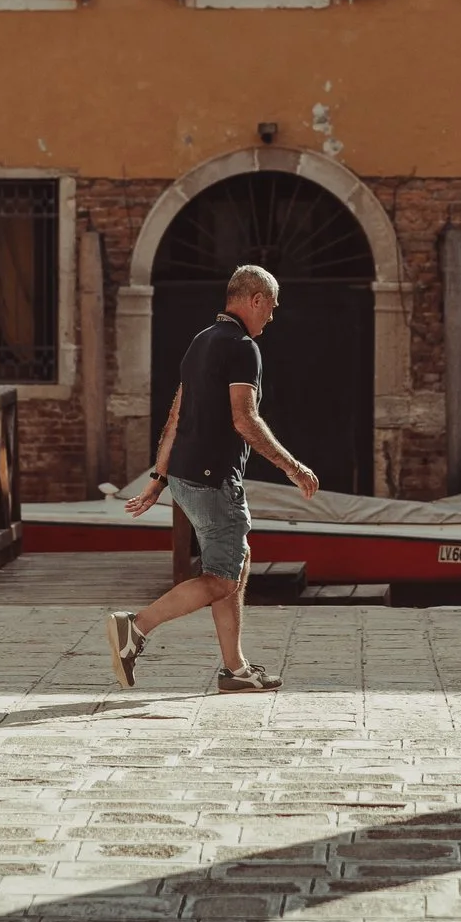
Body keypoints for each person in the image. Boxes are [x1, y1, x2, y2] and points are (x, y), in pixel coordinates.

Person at [107, 260, 317, 694]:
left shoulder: (200, 341)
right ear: (255, 300)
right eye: (271, 307)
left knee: (234, 564)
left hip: (187, 476)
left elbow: (176, 416)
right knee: (222, 576)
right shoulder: (243, 347)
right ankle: (136, 626)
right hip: (212, 478)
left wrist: (158, 477)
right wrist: (293, 467)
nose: (272, 317)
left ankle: (234, 669)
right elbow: (245, 419)